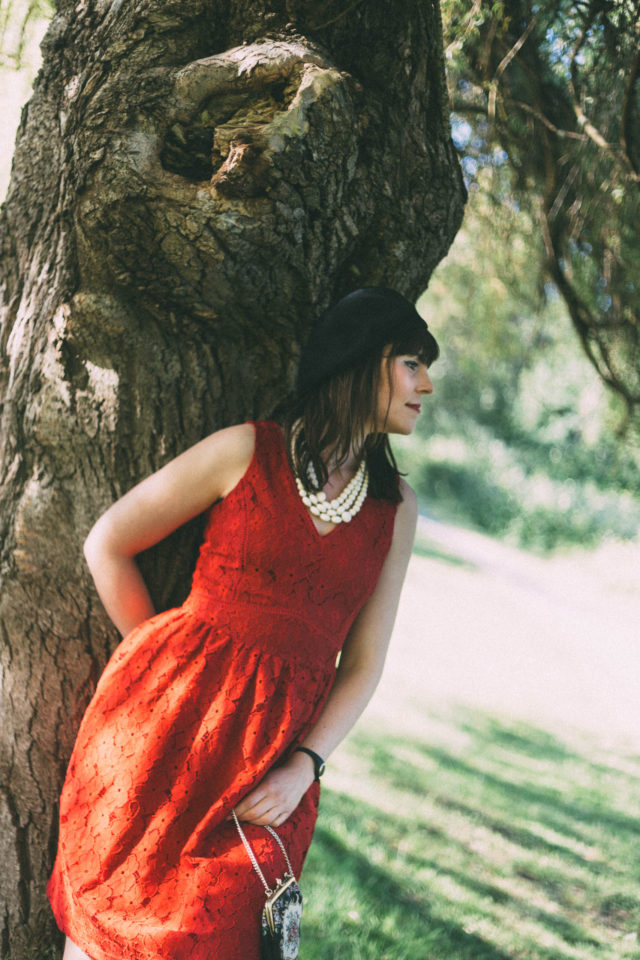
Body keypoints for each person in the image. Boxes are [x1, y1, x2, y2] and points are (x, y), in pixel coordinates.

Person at [47, 286, 437, 960]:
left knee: (218, 934)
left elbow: (366, 662)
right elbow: (107, 543)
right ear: (366, 361)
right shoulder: (245, 451)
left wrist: (305, 767)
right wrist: (153, 667)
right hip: (159, 739)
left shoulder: (393, 507)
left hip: (269, 772)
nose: (426, 385)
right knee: (109, 931)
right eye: (413, 363)